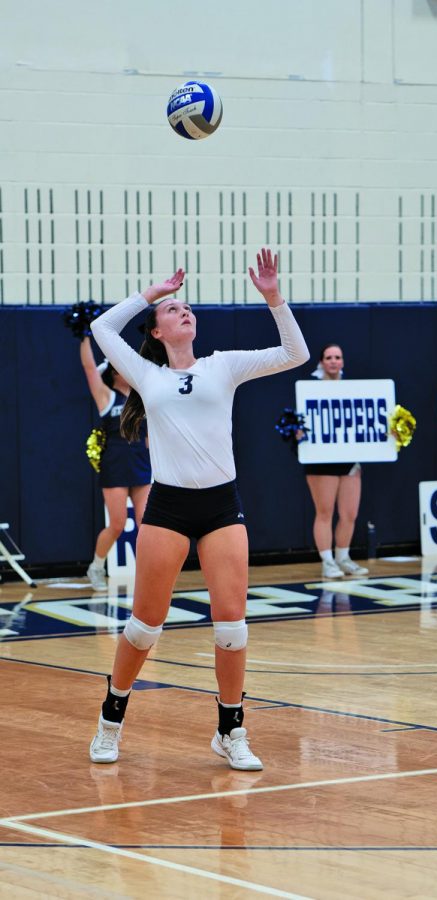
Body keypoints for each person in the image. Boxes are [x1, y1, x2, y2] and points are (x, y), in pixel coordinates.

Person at [88, 249, 309, 771]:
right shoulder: (145, 374)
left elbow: (295, 353)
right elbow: (102, 327)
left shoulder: (223, 366)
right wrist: (152, 294)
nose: (182, 310)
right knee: (145, 626)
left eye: (187, 307)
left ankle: (231, 730)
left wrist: (274, 297)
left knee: (232, 628)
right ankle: (109, 721)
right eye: (173, 310)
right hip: (167, 507)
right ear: (159, 331)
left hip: (220, 505)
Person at [79, 336, 152, 590]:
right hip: (115, 466)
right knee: (118, 524)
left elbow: (150, 437)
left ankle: (150, 573)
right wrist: (83, 336)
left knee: (148, 525)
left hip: (142, 464)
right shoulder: (106, 397)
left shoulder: (142, 397)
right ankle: (96, 567)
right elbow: (90, 369)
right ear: (113, 372)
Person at [303, 343, 369, 579]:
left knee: (350, 513)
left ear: (342, 362)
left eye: (337, 357)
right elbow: (297, 423)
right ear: (321, 362)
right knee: (325, 511)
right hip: (321, 461)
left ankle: (343, 557)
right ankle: (327, 561)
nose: (333, 361)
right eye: (328, 357)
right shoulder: (310, 391)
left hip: (349, 459)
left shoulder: (353, 390)